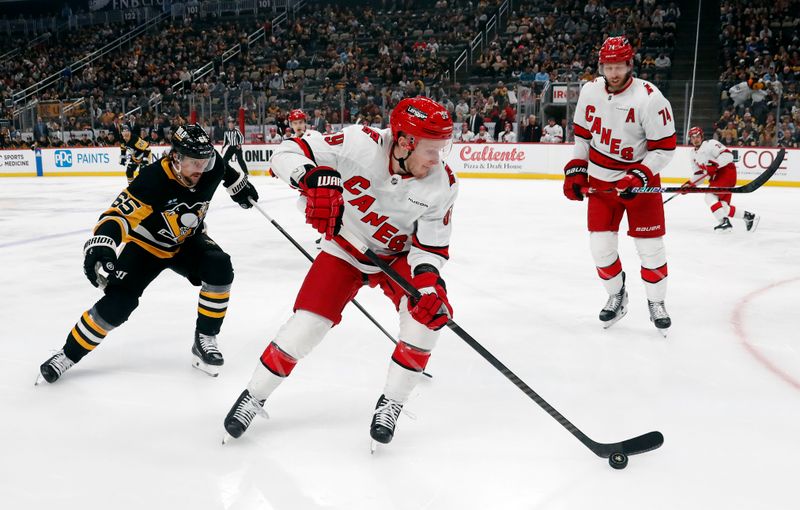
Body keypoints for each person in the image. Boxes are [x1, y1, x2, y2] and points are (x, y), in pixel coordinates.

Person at [222, 96, 458, 450]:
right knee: (307, 326)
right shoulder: (358, 144)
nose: (436, 158)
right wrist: (312, 177)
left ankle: (392, 401)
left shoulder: (443, 184)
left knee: (424, 322)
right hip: (344, 249)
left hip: (396, 258)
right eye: (431, 148)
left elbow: (431, 248)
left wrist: (427, 284)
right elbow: (285, 154)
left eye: (442, 148)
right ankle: (254, 396)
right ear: (405, 141)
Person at [37, 124, 259, 384]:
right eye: (192, 162)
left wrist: (239, 187)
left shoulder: (211, 164)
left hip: (187, 242)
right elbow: (118, 216)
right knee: (118, 304)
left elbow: (224, 171)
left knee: (219, 266)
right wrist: (102, 245)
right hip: (145, 247)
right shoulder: (152, 179)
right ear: (176, 158)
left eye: (204, 160)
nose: (200, 169)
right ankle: (67, 355)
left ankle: (205, 339)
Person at [562, 36, 677, 335]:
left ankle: (656, 302)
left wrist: (639, 175)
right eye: (608, 67)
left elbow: (664, 149)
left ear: (630, 65)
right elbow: (583, 138)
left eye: (619, 67)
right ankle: (617, 294)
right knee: (600, 249)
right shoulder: (590, 91)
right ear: (601, 66)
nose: (613, 73)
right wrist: (576, 170)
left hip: (638, 183)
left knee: (650, 249)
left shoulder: (650, 98)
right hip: (601, 182)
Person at [683, 126, 759, 232]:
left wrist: (715, 165)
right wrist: (690, 184)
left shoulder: (711, 144)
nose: (695, 139)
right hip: (716, 177)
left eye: (697, 136)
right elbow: (699, 174)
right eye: (693, 137)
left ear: (702, 137)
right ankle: (749, 217)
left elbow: (728, 156)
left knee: (709, 196)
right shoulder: (692, 154)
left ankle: (724, 222)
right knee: (722, 208)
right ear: (690, 139)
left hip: (726, 172)